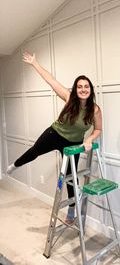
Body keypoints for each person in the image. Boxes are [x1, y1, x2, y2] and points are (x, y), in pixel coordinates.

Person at [7, 52, 102, 223]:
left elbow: (98, 129)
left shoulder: (95, 109)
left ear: (90, 89)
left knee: (70, 176)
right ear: (75, 89)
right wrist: (35, 63)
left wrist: (89, 139)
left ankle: (72, 209)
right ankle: (15, 165)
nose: (83, 89)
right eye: (79, 86)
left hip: (74, 143)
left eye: (86, 86)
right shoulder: (67, 97)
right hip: (54, 134)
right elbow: (50, 80)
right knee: (35, 151)